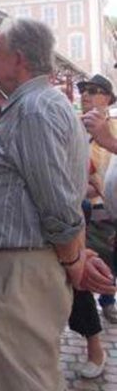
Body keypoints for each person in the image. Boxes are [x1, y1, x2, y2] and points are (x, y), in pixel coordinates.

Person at [0, 18, 115, 391]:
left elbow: (57, 201)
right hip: (21, 264)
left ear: (19, 60)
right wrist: (75, 253)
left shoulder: (34, 110)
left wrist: (74, 260)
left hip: (20, 269)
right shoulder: (36, 106)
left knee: (25, 382)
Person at [77, 74, 117, 325]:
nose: (86, 95)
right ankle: (89, 318)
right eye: (83, 90)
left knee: (104, 259)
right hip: (77, 207)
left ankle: (108, 301)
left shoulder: (112, 126)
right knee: (82, 261)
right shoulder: (73, 125)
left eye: (93, 90)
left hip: (103, 205)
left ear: (109, 98)